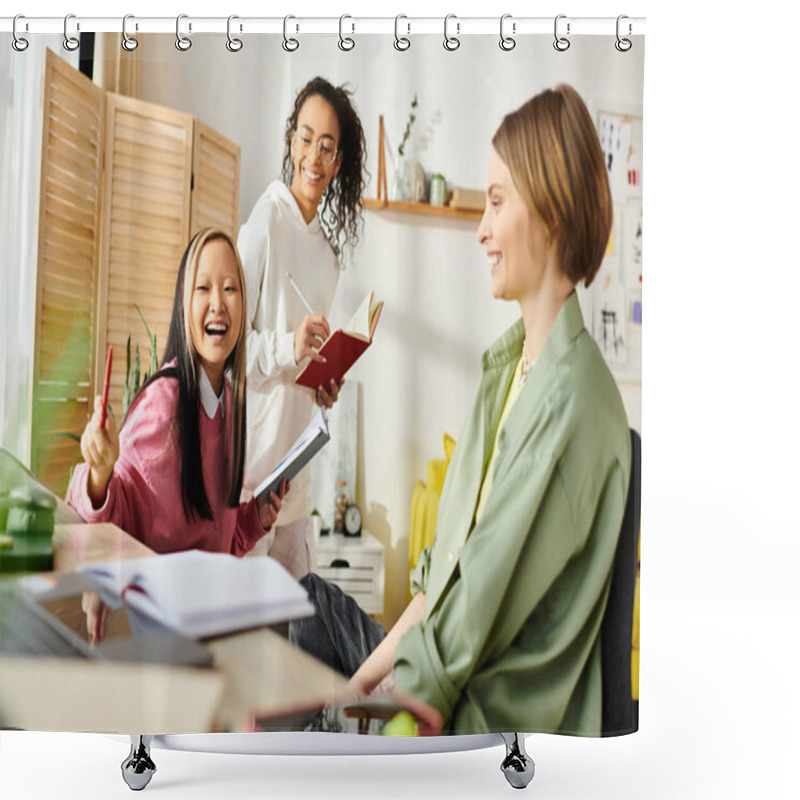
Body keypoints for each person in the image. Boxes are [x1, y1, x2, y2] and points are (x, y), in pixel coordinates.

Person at [291, 84, 632, 736]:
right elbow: (441, 586)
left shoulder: (573, 402)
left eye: (497, 202)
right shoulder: (507, 374)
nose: (481, 228)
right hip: (442, 665)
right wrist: (356, 689)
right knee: (306, 604)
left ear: (553, 212)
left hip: (477, 713)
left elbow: (466, 628)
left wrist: (379, 722)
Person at [67, 228, 288, 555]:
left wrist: (256, 517)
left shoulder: (226, 400)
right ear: (184, 305)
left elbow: (218, 544)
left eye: (230, 288)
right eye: (203, 288)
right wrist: (99, 473)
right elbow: (105, 522)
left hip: (202, 599)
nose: (218, 304)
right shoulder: (164, 402)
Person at [237, 76, 366, 580]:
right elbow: (224, 354)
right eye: (307, 138)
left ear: (337, 164)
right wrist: (289, 346)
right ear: (292, 140)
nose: (314, 156)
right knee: (241, 641)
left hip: (296, 483)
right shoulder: (265, 221)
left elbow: (301, 373)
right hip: (250, 478)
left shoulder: (329, 259)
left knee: (291, 641)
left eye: (327, 147)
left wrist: (324, 382)